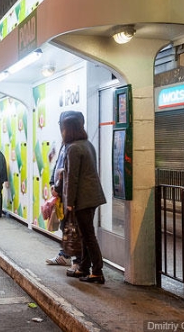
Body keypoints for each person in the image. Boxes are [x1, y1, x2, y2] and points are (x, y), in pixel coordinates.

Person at [62, 111, 107, 284]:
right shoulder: (87, 144)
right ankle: (84, 267)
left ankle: (97, 271)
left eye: (65, 128)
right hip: (92, 196)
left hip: (82, 199)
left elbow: (72, 177)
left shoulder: (73, 148)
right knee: (85, 234)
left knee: (88, 236)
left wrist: (70, 203)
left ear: (69, 129)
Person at [46, 111, 76, 266]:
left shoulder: (75, 147)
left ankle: (78, 261)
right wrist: (53, 183)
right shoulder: (65, 144)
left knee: (74, 228)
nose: (60, 128)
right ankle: (66, 256)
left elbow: (68, 173)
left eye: (61, 125)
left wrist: (58, 187)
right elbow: (58, 166)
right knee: (66, 226)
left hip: (70, 195)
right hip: (62, 192)